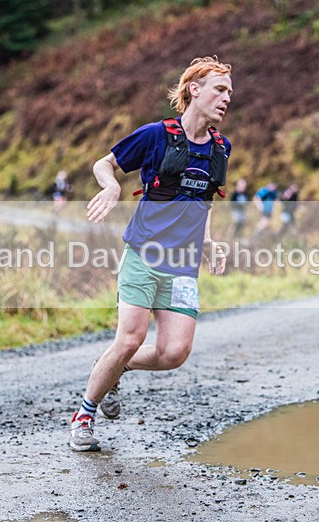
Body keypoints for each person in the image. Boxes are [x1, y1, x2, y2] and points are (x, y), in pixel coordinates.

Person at [69, 56, 233, 452]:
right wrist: (110, 187)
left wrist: (209, 243)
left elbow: (204, 201)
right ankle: (84, 417)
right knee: (130, 337)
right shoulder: (156, 135)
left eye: (229, 92)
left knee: (174, 353)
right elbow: (103, 164)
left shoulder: (220, 149)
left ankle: (113, 368)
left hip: (182, 266)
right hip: (143, 253)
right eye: (219, 89)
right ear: (195, 89)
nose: (227, 98)